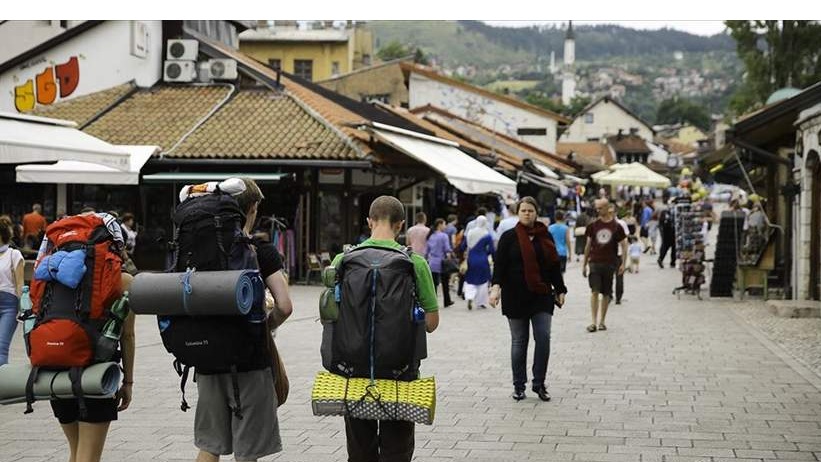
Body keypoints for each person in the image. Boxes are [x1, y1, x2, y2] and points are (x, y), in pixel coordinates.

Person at [331, 195, 439, 462]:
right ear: (401, 225)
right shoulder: (415, 263)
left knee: (360, 452)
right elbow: (432, 323)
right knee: (397, 451)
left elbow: (330, 314)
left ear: (369, 222)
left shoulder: (342, 260)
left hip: (354, 371)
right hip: (400, 372)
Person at [194, 178, 293, 462]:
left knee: (209, 445)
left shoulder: (200, 251)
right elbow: (284, 306)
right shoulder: (262, 252)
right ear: (252, 208)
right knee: (247, 451)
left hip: (207, 358)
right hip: (251, 360)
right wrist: (266, 324)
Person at [43, 213, 135, 462]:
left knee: (75, 451)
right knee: (88, 457)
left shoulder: (56, 270)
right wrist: (128, 382)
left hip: (56, 369)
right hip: (96, 373)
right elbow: (127, 335)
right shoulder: (123, 279)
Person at [489, 197, 567, 402]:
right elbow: (499, 266)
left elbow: (553, 266)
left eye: (530, 211)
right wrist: (495, 288)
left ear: (536, 213)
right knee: (519, 342)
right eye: (523, 210)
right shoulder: (508, 237)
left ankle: (539, 383)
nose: (526, 214)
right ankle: (519, 385)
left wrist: (560, 289)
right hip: (515, 296)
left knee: (543, 338)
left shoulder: (545, 236)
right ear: (518, 212)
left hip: (541, 295)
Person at [582, 198, 627, 333]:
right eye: (597, 208)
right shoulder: (593, 226)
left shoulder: (616, 226)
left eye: (600, 208)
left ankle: (602, 321)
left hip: (610, 263)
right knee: (594, 291)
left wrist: (623, 263)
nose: (598, 210)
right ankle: (593, 322)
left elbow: (624, 245)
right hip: (594, 262)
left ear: (608, 208)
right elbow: (588, 246)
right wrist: (584, 264)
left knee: (606, 293)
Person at [0, 216, 24, 365]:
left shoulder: (14, 255)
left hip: (9, 305)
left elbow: (20, 284)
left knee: (1, 347)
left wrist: (24, 309)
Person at [461, 215, 494, 310]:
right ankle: (481, 302)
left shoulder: (470, 232)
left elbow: (463, 246)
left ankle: (470, 297)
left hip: (471, 258)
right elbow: (492, 249)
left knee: (470, 279)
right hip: (482, 259)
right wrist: (487, 254)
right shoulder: (487, 234)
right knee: (483, 281)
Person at [426, 218, 454, 308]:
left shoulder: (431, 236)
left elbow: (427, 250)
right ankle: (447, 301)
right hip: (442, 263)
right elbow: (447, 249)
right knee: (445, 283)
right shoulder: (444, 236)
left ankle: (433, 302)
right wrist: (451, 253)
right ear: (440, 225)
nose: (445, 226)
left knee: (433, 284)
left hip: (432, 262)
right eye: (444, 224)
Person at [612, 205, 630, 305]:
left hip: (618, 253)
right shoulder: (620, 223)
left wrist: (624, 258)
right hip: (610, 255)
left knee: (619, 276)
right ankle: (610, 295)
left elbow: (625, 240)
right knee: (609, 276)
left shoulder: (621, 223)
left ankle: (618, 296)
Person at [657, 197, 676, 269]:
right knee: (673, 247)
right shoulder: (675, 210)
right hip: (672, 231)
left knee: (665, 246)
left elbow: (660, 223)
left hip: (666, 232)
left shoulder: (665, 211)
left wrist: (662, 232)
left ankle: (661, 259)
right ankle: (672, 262)